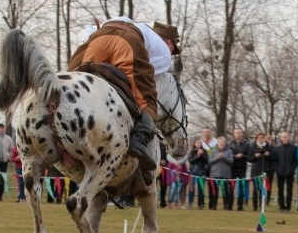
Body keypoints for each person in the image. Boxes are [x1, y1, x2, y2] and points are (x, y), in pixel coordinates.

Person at [68, 17, 181, 173]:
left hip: (97, 38)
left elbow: (85, 36)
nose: (171, 53)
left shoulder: (133, 25)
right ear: (169, 42)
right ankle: (139, 140)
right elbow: (146, 73)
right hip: (128, 43)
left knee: (72, 86)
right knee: (147, 99)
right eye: (173, 49)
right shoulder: (164, 53)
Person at [272, 131, 297, 212]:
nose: (285, 138)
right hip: (280, 172)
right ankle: (281, 206)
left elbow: (295, 161)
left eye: (286, 137)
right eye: (283, 137)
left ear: (289, 137)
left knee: (289, 190)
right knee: (280, 190)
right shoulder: (277, 149)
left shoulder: (294, 148)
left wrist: (292, 169)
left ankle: (288, 207)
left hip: (290, 172)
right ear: (281, 138)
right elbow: (274, 161)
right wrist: (277, 169)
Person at [207, 136, 233, 210]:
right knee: (214, 191)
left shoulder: (229, 151)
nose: (221, 143)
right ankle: (214, 205)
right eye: (220, 142)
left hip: (226, 175)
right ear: (217, 143)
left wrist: (224, 157)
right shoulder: (212, 151)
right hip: (215, 175)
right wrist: (218, 157)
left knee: (226, 192)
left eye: (223, 142)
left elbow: (231, 161)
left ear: (225, 143)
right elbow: (210, 161)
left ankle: (226, 205)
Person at [228, 127, 250, 210]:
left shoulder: (247, 145)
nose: (238, 134)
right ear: (234, 134)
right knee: (231, 188)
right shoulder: (230, 144)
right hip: (232, 169)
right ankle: (230, 205)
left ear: (242, 134)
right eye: (236, 133)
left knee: (241, 188)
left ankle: (240, 206)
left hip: (242, 168)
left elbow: (249, 156)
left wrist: (242, 156)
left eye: (240, 133)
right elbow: (228, 155)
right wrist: (235, 156)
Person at [248, 132, 269, 211]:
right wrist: (255, 156)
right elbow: (249, 159)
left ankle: (262, 206)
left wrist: (268, 155)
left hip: (264, 170)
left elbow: (272, 158)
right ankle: (255, 206)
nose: (261, 138)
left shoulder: (267, 146)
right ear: (257, 138)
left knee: (262, 189)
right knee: (255, 189)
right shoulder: (253, 147)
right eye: (259, 137)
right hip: (255, 171)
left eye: (262, 137)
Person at [188, 138, 209, 209]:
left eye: (200, 142)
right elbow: (191, 161)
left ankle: (201, 204)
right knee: (191, 189)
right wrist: (198, 156)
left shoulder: (205, 151)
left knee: (201, 189)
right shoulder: (192, 152)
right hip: (193, 172)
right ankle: (190, 203)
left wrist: (202, 155)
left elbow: (206, 161)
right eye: (197, 142)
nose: (198, 144)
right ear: (194, 143)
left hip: (201, 172)